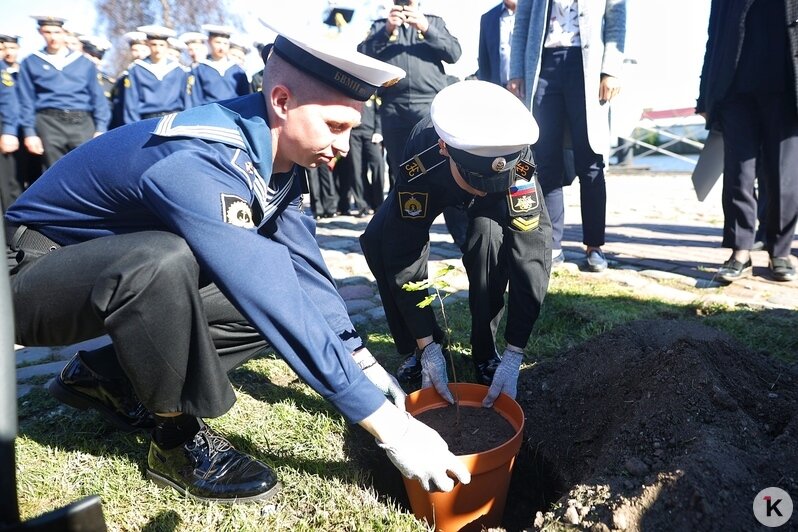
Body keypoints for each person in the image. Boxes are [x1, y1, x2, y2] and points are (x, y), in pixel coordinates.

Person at [5, 24, 470, 502]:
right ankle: (175, 440)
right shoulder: (198, 158)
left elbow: (302, 273)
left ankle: (106, 377)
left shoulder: (274, 156)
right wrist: (392, 429)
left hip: (100, 274)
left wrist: (359, 357)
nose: (343, 148)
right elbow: (266, 293)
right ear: (283, 102)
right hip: (29, 277)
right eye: (334, 126)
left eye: (351, 129)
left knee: (245, 286)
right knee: (164, 262)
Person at [361, 80, 551, 404]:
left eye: (490, 183)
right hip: (439, 185)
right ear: (444, 148)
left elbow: (532, 252)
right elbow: (405, 246)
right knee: (378, 240)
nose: (482, 190)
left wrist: (515, 352)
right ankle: (418, 346)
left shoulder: (515, 156)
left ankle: (485, 350)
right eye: (477, 183)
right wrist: (427, 346)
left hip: (491, 205)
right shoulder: (423, 154)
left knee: (487, 243)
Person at [508, 0, 626, 272]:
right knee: (545, 158)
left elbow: (616, 18)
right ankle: (552, 243)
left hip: (587, 65)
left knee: (591, 158)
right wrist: (516, 71)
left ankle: (594, 245)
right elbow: (522, 21)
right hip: (543, 65)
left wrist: (611, 69)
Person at [697, 0, 798, 283]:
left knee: (784, 178)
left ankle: (780, 251)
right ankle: (740, 250)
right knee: (738, 175)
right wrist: (704, 93)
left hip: (785, 91)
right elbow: (713, 37)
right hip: (734, 91)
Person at [16, 15, 110, 170]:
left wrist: (101, 128)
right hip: (48, 122)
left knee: (86, 169)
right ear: (40, 32)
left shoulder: (83, 62)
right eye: (48, 32)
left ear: (64, 33)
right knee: (54, 172)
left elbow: (97, 97)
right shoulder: (31, 62)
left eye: (57, 32)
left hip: (82, 122)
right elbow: (26, 100)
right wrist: (29, 132)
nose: (53, 37)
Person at [120, 25, 191, 125]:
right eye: (154, 45)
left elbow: (187, 101)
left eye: (161, 45)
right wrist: (133, 127)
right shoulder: (136, 69)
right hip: (146, 121)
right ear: (147, 44)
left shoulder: (179, 70)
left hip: (174, 120)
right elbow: (131, 103)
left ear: (167, 46)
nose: (158, 49)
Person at [338, 94, 386, 215]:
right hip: (354, 133)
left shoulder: (372, 92)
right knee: (357, 169)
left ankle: (379, 203)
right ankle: (362, 205)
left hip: (371, 134)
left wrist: (379, 131)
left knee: (378, 166)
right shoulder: (350, 91)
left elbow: (379, 112)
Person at [190, 24, 250, 106]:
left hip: (232, 114)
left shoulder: (237, 70)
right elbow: (194, 99)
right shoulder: (200, 69)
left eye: (225, 43)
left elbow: (245, 98)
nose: (221, 47)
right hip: (207, 115)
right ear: (209, 42)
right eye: (218, 42)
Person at [0, 38, 22, 212]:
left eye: (11, 47)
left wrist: (8, 130)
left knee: (11, 181)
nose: (7, 52)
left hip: (12, 130)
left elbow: (9, 102)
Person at [477, 0, 517, 88]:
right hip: (500, 89)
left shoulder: (535, 13)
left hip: (529, 90)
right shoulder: (488, 18)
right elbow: (484, 63)